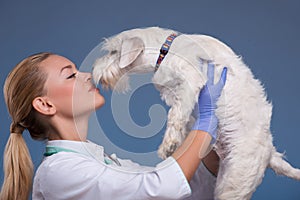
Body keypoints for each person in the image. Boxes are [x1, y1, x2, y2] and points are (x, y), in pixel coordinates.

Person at [0, 52, 227, 200]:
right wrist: (204, 123)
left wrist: (212, 151)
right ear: (45, 104)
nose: (88, 75)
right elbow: (161, 188)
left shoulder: (102, 161)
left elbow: (181, 193)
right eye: (71, 75)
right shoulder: (60, 173)